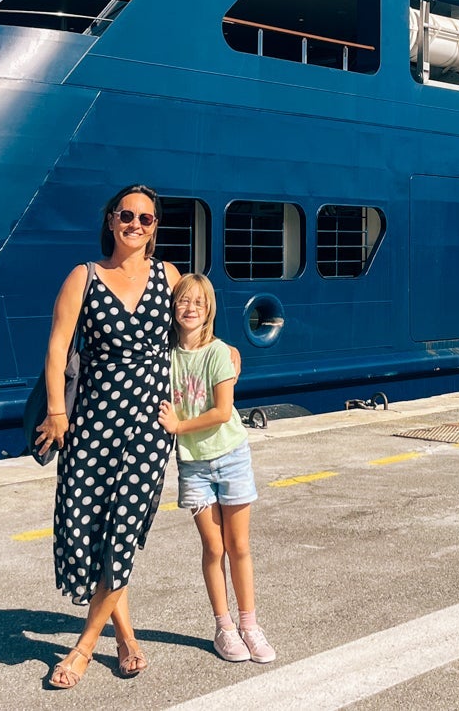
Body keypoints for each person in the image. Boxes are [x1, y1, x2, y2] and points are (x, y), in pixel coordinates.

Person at [33, 184, 181, 688]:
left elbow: (192, 335)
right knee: (86, 532)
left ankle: (83, 647)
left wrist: (223, 361)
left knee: (121, 533)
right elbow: (57, 350)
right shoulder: (85, 277)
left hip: (147, 425)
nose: (135, 224)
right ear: (111, 220)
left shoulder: (170, 276)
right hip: (92, 423)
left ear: (156, 227)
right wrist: (57, 413)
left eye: (146, 218)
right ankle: (127, 637)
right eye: (127, 215)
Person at [157, 273, 277, 665]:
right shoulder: (166, 357)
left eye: (198, 303)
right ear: (173, 308)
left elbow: (222, 412)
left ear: (209, 310)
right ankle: (224, 628)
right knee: (213, 547)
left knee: (238, 546)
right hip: (193, 465)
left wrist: (178, 427)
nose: (189, 308)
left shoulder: (220, 353)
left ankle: (250, 624)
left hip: (230, 456)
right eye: (183, 301)